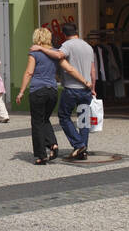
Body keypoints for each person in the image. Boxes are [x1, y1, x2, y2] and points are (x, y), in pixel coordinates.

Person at [16, 27, 90, 164]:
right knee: (45, 119)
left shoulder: (34, 53)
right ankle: (53, 144)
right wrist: (85, 81)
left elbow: (29, 73)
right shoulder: (56, 53)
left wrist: (21, 91)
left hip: (38, 90)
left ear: (36, 38)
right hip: (53, 91)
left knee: (37, 122)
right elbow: (69, 69)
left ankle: (41, 155)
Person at [33, 23, 96, 160]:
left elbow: (59, 55)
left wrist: (41, 49)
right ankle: (83, 149)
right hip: (86, 90)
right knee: (83, 120)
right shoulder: (88, 47)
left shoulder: (67, 45)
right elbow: (92, 71)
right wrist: (93, 88)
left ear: (64, 34)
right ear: (76, 32)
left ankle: (78, 144)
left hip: (72, 89)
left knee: (64, 116)